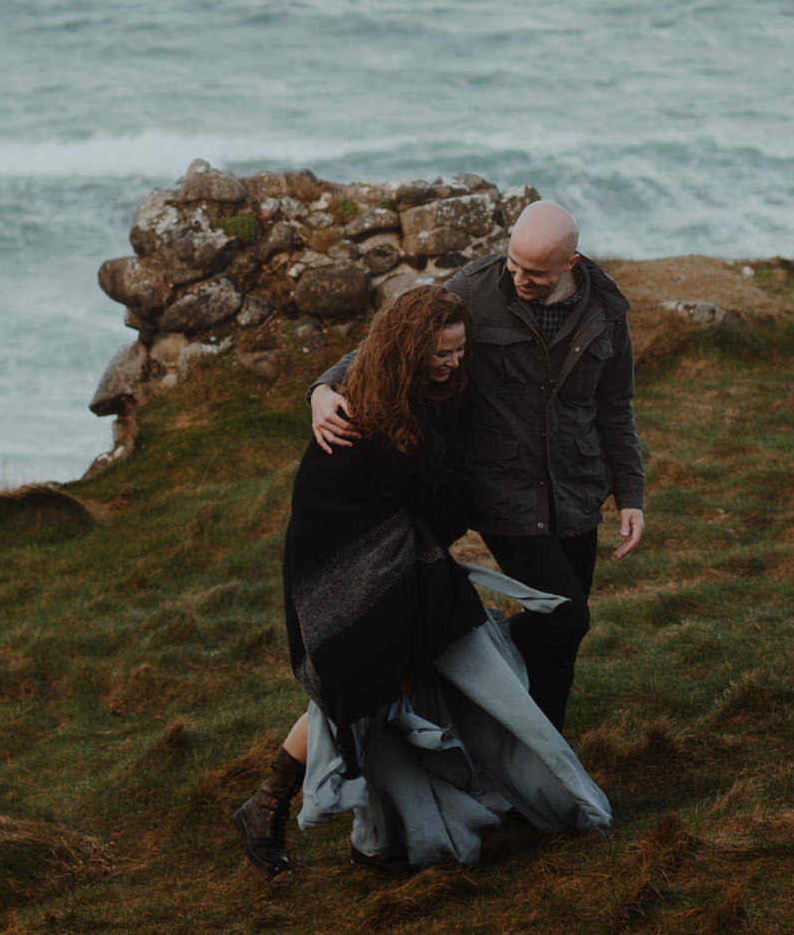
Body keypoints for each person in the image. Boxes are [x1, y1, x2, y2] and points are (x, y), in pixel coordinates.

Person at [233, 284, 610, 875]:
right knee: (355, 678)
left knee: (423, 661)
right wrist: (320, 391)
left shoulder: (448, 387)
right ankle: (268, 805)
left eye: (459, 350)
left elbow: (437, 478)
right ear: (409, 350)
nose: (454, 362)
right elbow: (334, 493)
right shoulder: (356, 406)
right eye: (441, 353)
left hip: (409, 542)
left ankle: (388, 832)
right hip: (337, 548)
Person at [310, 200, 645, 732]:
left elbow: (615, 408)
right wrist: (325, 387)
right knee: (566, 618)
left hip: (579, 494)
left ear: (569, 264)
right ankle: (464, 653)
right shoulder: (474, 286)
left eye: (533, 272)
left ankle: (545, 753)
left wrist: (630, 494)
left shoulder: (607, 310)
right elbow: (395, 336)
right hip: (502, 490)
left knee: (563, 635)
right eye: (513, 263)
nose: (518, 278)